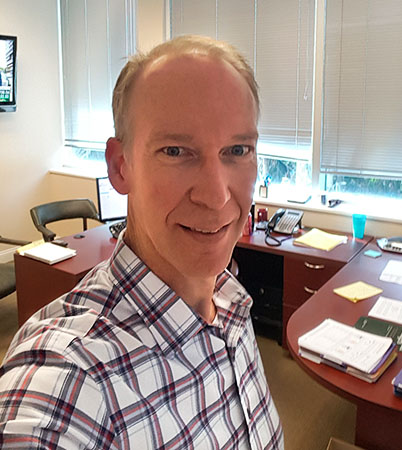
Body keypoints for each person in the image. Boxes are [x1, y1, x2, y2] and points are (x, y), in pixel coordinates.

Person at [0, 35, 283, 449]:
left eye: (237, 149)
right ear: (120, 166)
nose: (217, 195)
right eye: (175, 151)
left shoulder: (230, 305)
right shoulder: (75, 382)